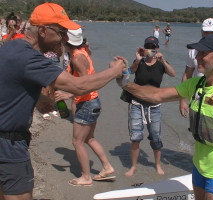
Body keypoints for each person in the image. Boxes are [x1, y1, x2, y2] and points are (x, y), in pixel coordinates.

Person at [0, 2, 126, 200]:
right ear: (42, 30)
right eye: (61, 32)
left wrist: (38, 98)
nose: (65, 38)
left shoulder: (12, 46)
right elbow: (79, 86)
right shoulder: (31, 59)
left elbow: (10, 84)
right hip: (9, 144)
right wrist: (115, 70)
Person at [117, 34, 213, 199]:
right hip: (198, 164)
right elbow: (156, 95)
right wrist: (125, 82)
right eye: (197, 53)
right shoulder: (196, 85)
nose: (197, 57)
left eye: (203, 54)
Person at [55, 28, 115, 186]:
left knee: (77, 142)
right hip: (92, 102)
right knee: (89, 138)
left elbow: (86, 83)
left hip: (87, 103)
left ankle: (86, 177)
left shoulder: (76, 58)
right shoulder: (81, 51)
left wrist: (68, 95)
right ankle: (107, 167)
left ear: (66, 42)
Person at [124, 36, 175, 177]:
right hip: (136, 104)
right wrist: (137, 59)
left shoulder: (160, 63)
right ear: (144, 47)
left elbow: (173, 73)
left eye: (154, 47)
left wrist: (163, 60)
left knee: (156, 137)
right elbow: (129, 73)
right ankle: (133, 166)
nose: (151, 49)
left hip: (154, 106)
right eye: (148, 46)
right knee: (135, 137)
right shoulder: (139, 62)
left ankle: (157, 165)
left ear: (157, 48)